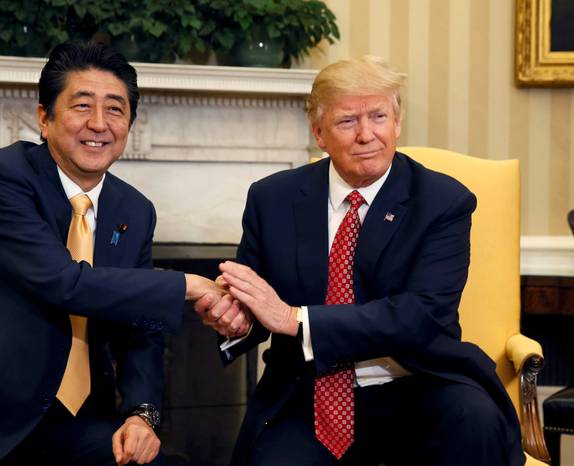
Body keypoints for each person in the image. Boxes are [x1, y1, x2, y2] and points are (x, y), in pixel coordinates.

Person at [199, 56, 525, 466]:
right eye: (348, 121)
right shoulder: (273, 199)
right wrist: (237, 320)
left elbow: (421, 316)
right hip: (308, 389)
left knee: (474, 422)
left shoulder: (442, 201)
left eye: (379, 116)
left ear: (398, 123)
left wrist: (296, 320)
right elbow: (255, 301)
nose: (367, 135)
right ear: (319, 132)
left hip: (417, 382)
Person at [0, 42, 244, 466]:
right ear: (44, 118)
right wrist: (187, 284)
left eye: (115, 109)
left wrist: (141, 415)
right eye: (81, 105)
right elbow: (65, 283)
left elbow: (140, 327)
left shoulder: (135, 210)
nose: (98, 124)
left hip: (81, 421)